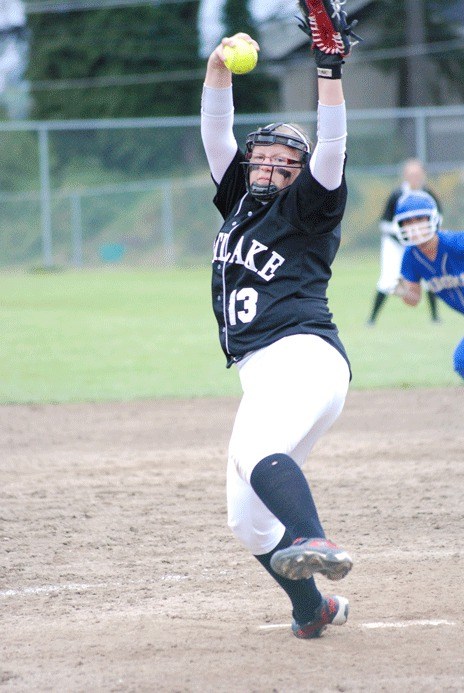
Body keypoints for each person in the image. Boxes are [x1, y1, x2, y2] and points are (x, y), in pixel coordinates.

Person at [200, 0, 358, 640]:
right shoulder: (239, 202)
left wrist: (329, 70)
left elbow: (333, 144)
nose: (266, 167)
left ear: (299, 174)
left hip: (303, 357)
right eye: (260, 159)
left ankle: (314, 536)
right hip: (265, 374)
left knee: (261, 455)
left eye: (280, 164)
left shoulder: (309, 208)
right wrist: (217, 68)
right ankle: (311, 609)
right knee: (246, 520)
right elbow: (216, 134)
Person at [392, 190, 464, 379]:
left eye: (419, 220)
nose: (413, 227)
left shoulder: (455, 243)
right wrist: (404, 292)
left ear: (433, 219)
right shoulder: (410, 257)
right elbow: (414, 300)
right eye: (407, 222)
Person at [367, 158, 443, 325]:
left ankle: (435, 317)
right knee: (388, 279)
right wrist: (404, 236)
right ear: (404, 176)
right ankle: (371, 319)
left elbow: (438, 219)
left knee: (430, 277)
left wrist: (422, 237)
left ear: (423, 175)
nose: (414, 177)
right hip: (395, 243)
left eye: (417, 174)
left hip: (422, 243)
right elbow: (385, 223)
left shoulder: (428, 194)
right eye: (410, 174)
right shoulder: (397, 195)